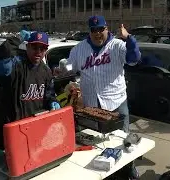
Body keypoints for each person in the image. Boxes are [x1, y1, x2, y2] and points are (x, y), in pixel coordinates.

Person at [57, 15, 141, 179]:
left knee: (124, 142)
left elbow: (134, 59)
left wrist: (129, 38)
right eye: (93, 30)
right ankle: (102, 173)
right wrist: (61, 68)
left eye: (100, 29)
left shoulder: (117, 45)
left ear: (106, 29)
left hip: (116, 102)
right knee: (95, 143)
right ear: (89, 31)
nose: (97, 33)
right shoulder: (79, 48)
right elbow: (69, 66)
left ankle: (129, 170)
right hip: (91, 106)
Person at [0, 32, 60, 150]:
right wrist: (17, 39)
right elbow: (1, 57)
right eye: (34, 47)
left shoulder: (46, 71)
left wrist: (53, 101)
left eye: (42, 48)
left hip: (31, 128)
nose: (38, 52)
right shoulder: (15, 65)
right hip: (8, 127)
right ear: (27, 47)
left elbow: (49, 94)